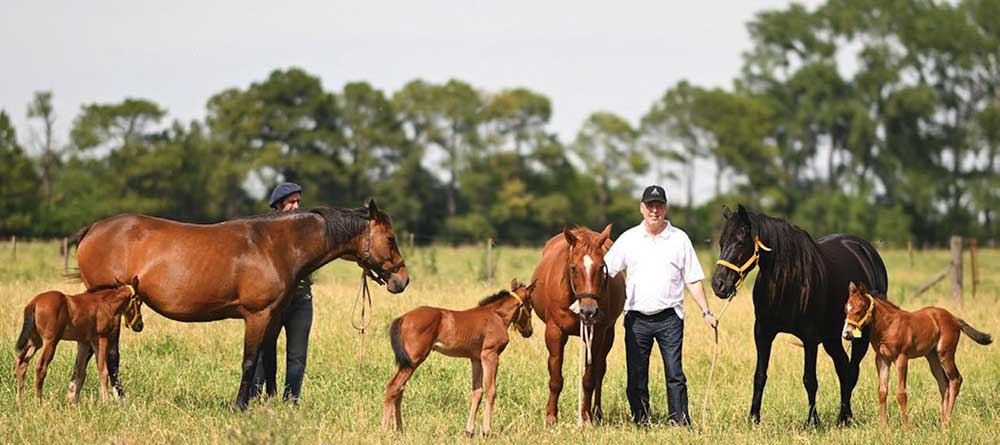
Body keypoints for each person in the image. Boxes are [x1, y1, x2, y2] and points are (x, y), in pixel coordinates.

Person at [604, 184, 718, 426]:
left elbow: (693, 278)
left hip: (670, 318)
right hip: (636, 319)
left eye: (659, 206)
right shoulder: (628, 239)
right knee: (636, 375)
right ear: (642, 209)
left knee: (675, 374)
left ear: (665, 209)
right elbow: (604, 271)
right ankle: (641, 421)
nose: (654, 211)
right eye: (649, 206)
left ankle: (680, 422)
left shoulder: (679, 239)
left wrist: (706, 311)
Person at [249, 181, 313, 403]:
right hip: (273, 302)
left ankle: (291, 400)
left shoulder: (308, 233)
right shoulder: (265, 235)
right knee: (261, 351)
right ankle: (255, 397)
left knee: (297, 356)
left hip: (301, 301)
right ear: (278, 206)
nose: (296, 207)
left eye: (298, 202)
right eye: (290, 203)